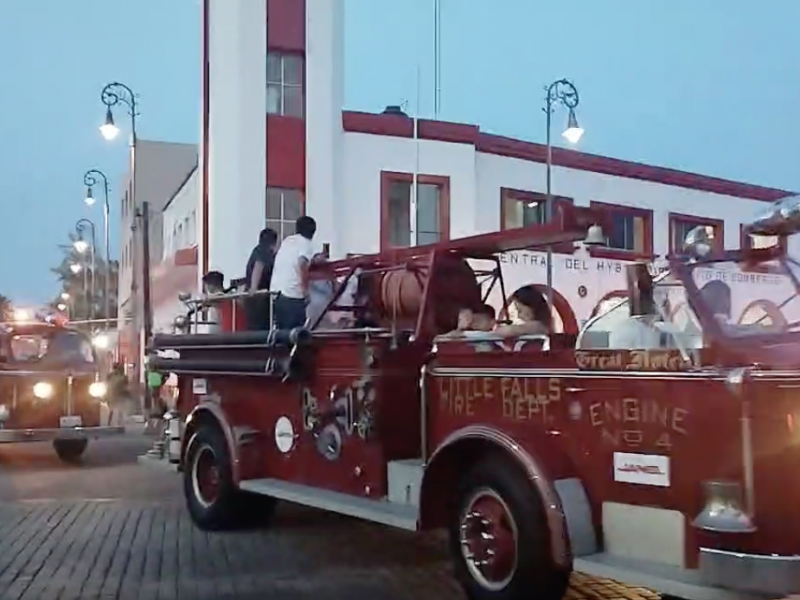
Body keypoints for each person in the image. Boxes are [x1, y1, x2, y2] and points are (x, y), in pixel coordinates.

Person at [271, 216, 318, 329]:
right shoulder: (306, 243)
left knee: (281, 333)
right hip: (292, 295)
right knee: (295, 334)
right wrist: (305, 290)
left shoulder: (288, 241)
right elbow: (301, 263)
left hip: (277, 291)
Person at [245, 228, 278, 330]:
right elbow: (259, 266)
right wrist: (254, 288)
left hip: (257, 297)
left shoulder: (258, 250)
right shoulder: (264, 251)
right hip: (259, 297)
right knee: (259, 327)